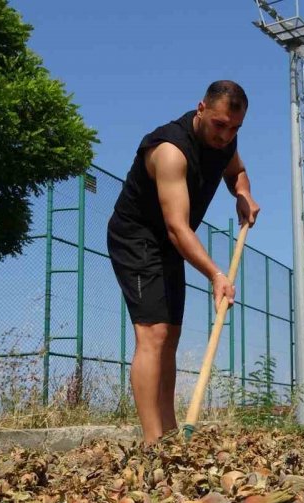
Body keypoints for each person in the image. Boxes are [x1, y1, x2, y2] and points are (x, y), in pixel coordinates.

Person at [106, 80, 260, 444]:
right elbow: (177, 228)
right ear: (201, 109)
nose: (226, 135)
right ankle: (152, 442)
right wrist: (216, 275)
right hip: (138, 238)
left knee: (170, 336)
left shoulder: (226, 142)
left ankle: (171, 432)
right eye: (220, 125)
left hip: (171, 242)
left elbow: (235, 170)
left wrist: (243, 193)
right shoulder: (170, 151)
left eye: (235, 127)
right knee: (153, 334)